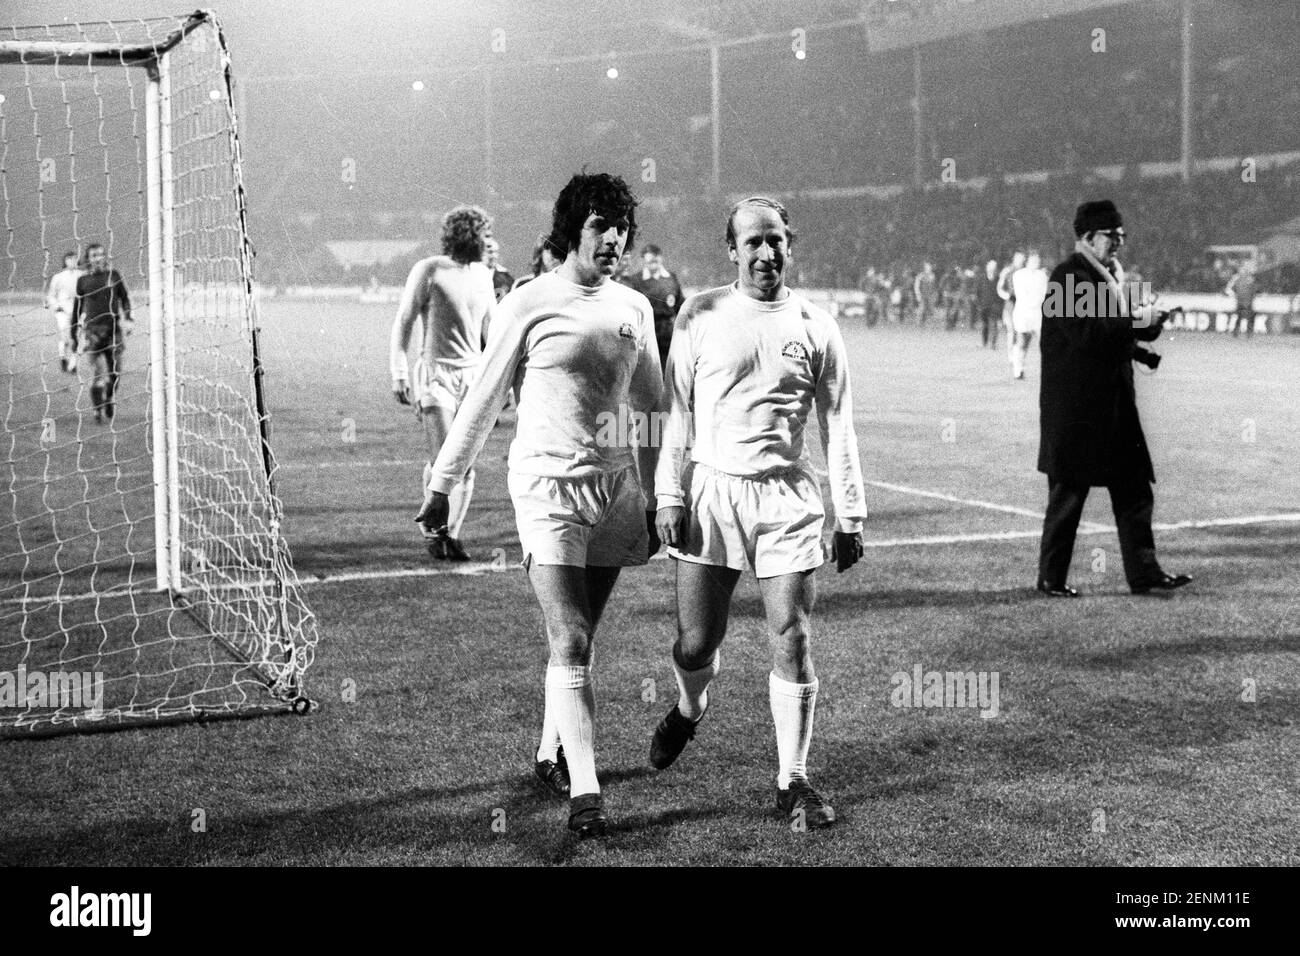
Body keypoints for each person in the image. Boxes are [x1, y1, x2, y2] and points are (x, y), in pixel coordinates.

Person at [416, 173, 663, 838]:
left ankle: (549, 753)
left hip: (613, 492)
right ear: (570, 230)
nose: (613, 239)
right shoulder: (530, 301)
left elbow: (653, 409)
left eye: (621, 228)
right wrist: (443, 483)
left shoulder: (634, 309)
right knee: (572, 636)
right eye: (599, 226)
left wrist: (659, 497)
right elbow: (486, 396)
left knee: (579, 642)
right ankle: (587, 793)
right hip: (546, 489)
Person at [650, 196, 867, 830]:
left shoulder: (817, 323)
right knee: (696, 642)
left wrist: (849, 514)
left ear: (789, 244)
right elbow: (677, 414)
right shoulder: (700, 313)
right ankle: (690, 710)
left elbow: (839, 422)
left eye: (776, 240)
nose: (766, 252)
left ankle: (792, 781)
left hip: (786, 499)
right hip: (713, 493)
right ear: (733, 251)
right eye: (753, 242)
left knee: (792, 636)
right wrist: (668, 494)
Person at [1037, 200, 1192, 598]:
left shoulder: (1120, 276)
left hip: (1115, 404)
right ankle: (1051, 578)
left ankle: (1144, 573)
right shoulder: (1067, 276)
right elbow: (1088, 335)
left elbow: (1126, 332)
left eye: (1122, 236)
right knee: (1069, 494)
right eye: (1112, 235)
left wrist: (1153, 324)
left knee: (1135, 487)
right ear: (1087, 237)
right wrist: (1138, 322)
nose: (1119, 242)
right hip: (1077, 407)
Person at [390, 205, 496, 561]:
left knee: (463, 463)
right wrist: (399, 371)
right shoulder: (429, 270)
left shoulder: (483, 275)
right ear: (467, 235)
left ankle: (451, 533)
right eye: (484, 234)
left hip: (474, 377)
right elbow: (403, 322)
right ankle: (434, 532)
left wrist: (501, 381)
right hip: (436, 376)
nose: (488, 241)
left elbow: (492, 332)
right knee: (443, 460)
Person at [72, 243, 133, 424]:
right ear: (88, 259)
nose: (97, 258)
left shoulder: (113, 275)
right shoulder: (82, 280)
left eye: (100, 254)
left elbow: (124, 298)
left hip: (114, 331)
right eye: (93, 255)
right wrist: (73, 333)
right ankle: (97, 410)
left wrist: (128, 318)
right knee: (98, 372)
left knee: (115, 373)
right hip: (92, 332)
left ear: (104, 256)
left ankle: (108, 398)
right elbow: (77, 309)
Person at [620, 243, 684, 371]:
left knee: (668, 371)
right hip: (646, 333)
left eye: (656, 257)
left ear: (661, 258)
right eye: (650, 258)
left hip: (667, 335)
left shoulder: (671, 278)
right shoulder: (635, 281)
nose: (653, 260)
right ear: (643, 260)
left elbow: (680, 306)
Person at [1009, 250, 1048, 380]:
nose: (1036, 263)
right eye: (1033, 261)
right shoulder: (1019, 275)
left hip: (1037, 313)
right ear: (1027, 262)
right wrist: (1033, 302)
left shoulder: (1042, 275)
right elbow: (1021, 294)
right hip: (1023, 312)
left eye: (1037, 261)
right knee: (1022, 342)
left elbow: (1043, 293)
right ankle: (1018, 370)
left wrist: (1038, 303)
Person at [45, 251, 82, 373]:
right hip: (62, 312)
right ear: (65, 261)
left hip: (77, 312)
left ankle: (73, 364)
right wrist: (56, 306)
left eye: (74, 259)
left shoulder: (82, 276)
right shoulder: (58, 277)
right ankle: (63, 358)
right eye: (69, 259)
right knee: (65, 338)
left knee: (76, 337)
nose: (72, 261)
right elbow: (51, 295)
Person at [996, 249, 1025, 357]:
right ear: (1014, 258)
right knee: (1011, 330)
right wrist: (1006, 296)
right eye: (1018, 257)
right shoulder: (1007, 271)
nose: (1020, 259)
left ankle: (1019, 354)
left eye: (1022, 257)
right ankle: (1011, 355)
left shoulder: (1026, 271)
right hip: (1010, 304)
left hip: (1023, 304)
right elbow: (999, 288)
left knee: (1021, 331)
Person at [1224, 260, 1257, 338]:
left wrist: (1253, 296)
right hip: (1240, 301)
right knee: (1239, 316)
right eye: (1242, 269)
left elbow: (1254, 290)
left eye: (1244, 269)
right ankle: (1236, 332)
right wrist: (1234, 295)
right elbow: (1228, 289)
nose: (1243, 271)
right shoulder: (1236, 278)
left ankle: (1249, 332)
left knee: (1250, 317)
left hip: (1249, 301)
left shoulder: (1250, 278)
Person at [974, 258, 1002, 349]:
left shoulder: (998, 279)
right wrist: (978, 304)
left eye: (993, 267)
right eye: (990, 266)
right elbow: (977, 292)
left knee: (994, 324)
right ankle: (984, 342)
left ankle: (993, 344)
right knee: (985, 325)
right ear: (987, 267)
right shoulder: (981, 278)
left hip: (995, 305)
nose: (992, 269)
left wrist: (1000, 303)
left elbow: (1001, 291)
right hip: (983, 305)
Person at [483, 237, 515, 304]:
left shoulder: (506, 279)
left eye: (496, 252)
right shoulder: (471, 275)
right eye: (490, 252)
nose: (494, 256)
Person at [913, 260, 937, 325]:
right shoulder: (921, 275)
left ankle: (926, 322)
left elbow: (933, 286)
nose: (929, 267)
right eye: (927, 266)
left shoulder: (932, 275)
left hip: (930, 295)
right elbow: (916, 285)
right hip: (922, 294)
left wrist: (934, 294)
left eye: (929, 266)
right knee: (921, 308)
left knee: (929, 309)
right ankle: (918, 322)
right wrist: (918, 294)